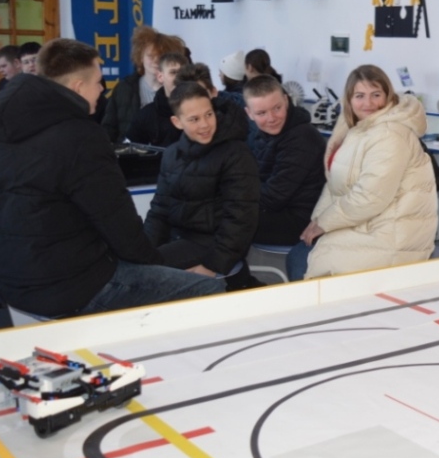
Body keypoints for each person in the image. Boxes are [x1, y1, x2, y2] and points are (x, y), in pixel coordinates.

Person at [0, 38, 224, 319]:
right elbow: (118, 224)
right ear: (77, 87)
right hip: (69, 286)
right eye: (98, 82)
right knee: (211, 290)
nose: (102, 90)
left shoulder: (6, 131)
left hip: (13, 283)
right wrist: (157, 266)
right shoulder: (80, 136)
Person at [293, 64, 437, 280]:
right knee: (302, 255)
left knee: (302, 263)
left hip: (391, 235)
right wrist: (317, 221)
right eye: (360, 96)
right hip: (368, 222)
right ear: (349, 100)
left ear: (388, 97)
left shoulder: (389, 134)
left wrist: (324, 223)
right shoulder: (357, 128)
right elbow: (336, 185)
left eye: (376, 95)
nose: (368, 103)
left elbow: (370, 197)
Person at [143, 82, 261, 290]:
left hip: (212, 245)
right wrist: (141, 248)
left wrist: (213, 265)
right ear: (177, 122)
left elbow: (241, 217)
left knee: (145, 273)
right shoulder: (171, 154)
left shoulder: (236, 153)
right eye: (194, 119)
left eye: (208, 114)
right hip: (179, 238)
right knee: (133, 264)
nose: (205, 124)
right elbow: (159, 211)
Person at [244, 75, 326, 245]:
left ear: (286, 101)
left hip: (300, 220)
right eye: (261, 113)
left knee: (218, 218)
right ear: (249, 114)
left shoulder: (303, 138)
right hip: (274, 209)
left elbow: (273, 198)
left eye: (277, 108)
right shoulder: (257, 134)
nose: (271, 118)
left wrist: (233, 199)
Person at [102, 26, 186, 142]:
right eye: (150, 56)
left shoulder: (181, 91)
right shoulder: (124, 88)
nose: (156, 61)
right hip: (129, 151)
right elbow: (109, 128)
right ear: (141, 57)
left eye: (161, 56)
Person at [126, 51, 190, 146]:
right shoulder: (145, 116)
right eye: (173, 72)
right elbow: (131, 151)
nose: (179, 77)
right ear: (160, 76)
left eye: (183, 72)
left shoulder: (202, 109)